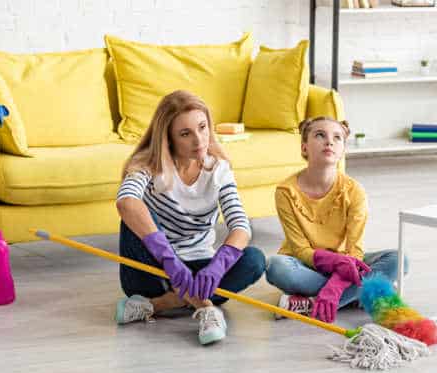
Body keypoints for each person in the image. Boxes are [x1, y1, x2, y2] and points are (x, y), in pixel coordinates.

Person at [114, 90, 266, 345]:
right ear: (169, 139)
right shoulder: (147, 165)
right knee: (135, 215)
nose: (199, 140)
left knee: (254, 259)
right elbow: (126, 202)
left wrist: (218, 265)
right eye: (185, 134)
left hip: (200, 268)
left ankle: (159, 305)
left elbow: (240, 225)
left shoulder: (218, 168)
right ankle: (206, 308)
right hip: (152, 272)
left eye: (203, 127)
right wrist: (170, 261)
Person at [265, 116, 408, 323]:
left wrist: (335, 286)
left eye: (337, 138)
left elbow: (355, 251)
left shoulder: (355, 191)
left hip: (348, 262)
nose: (329, 142)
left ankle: (311, 304)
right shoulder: (286, 191)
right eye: (320, 135)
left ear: (342, 151)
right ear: (304, 148)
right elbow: (301, 250)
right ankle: (359, 293)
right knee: (275, 267)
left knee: (399, 260)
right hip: (305, 264)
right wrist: (336, 266)